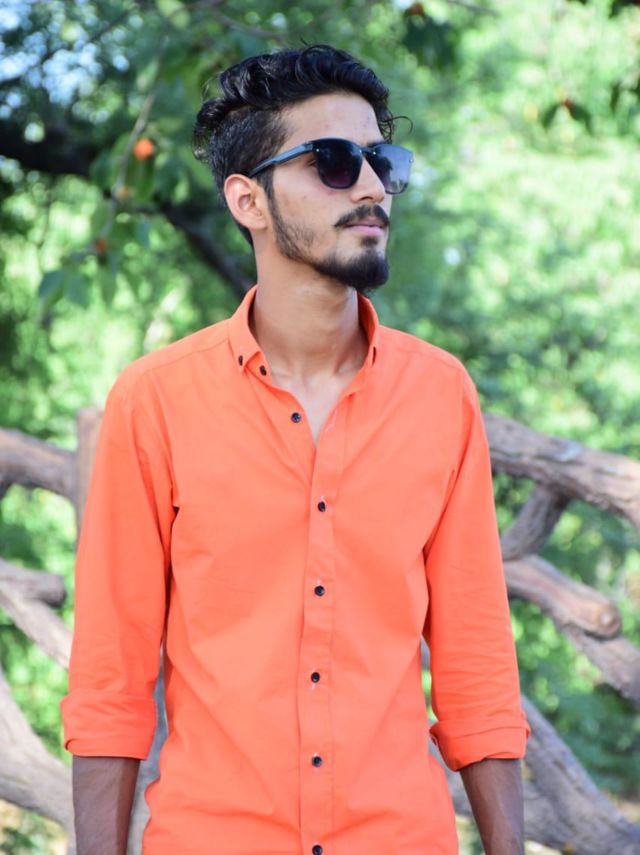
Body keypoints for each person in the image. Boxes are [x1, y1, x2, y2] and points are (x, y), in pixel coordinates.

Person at [61, 44, 531, 855]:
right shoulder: (156, 401)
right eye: (335, 163)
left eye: (381, 161)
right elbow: (111, 680)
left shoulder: (440, 394)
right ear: (248, 199)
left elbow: (477, 671)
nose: (373, 186)